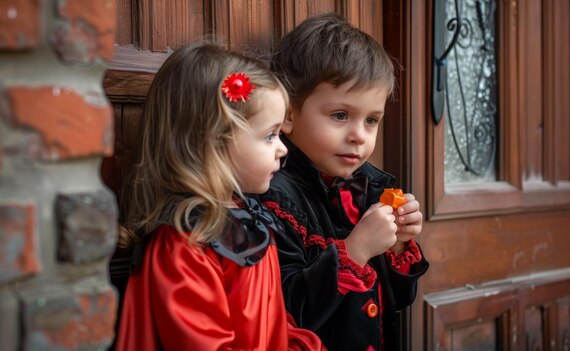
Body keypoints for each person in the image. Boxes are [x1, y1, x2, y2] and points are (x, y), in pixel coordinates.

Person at [114, 41, 325, 351]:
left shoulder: (246, 218)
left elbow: (274, 324)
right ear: (213, 142)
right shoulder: (185, 245)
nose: (282, 148)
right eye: (269, 135)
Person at [259, 13, 429, 351]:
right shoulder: (274, 197)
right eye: (340, 115)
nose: (358, 136)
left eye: (371, 120)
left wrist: (396, 246)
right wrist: (355, 251)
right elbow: (287, 311)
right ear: (289, 115)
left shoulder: (373, 189)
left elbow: (398, 300)